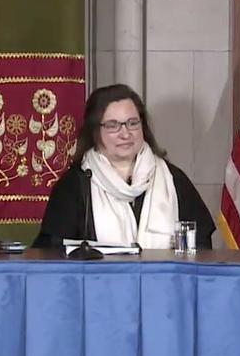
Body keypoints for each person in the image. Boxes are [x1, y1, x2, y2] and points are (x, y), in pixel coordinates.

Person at [33, 84, 215, 249]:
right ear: (95, 131)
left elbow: (201, 246)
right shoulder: (75, 185)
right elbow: (52, 252)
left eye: (132, 123)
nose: (125, 134)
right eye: (113, 126)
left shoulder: (173, 180)